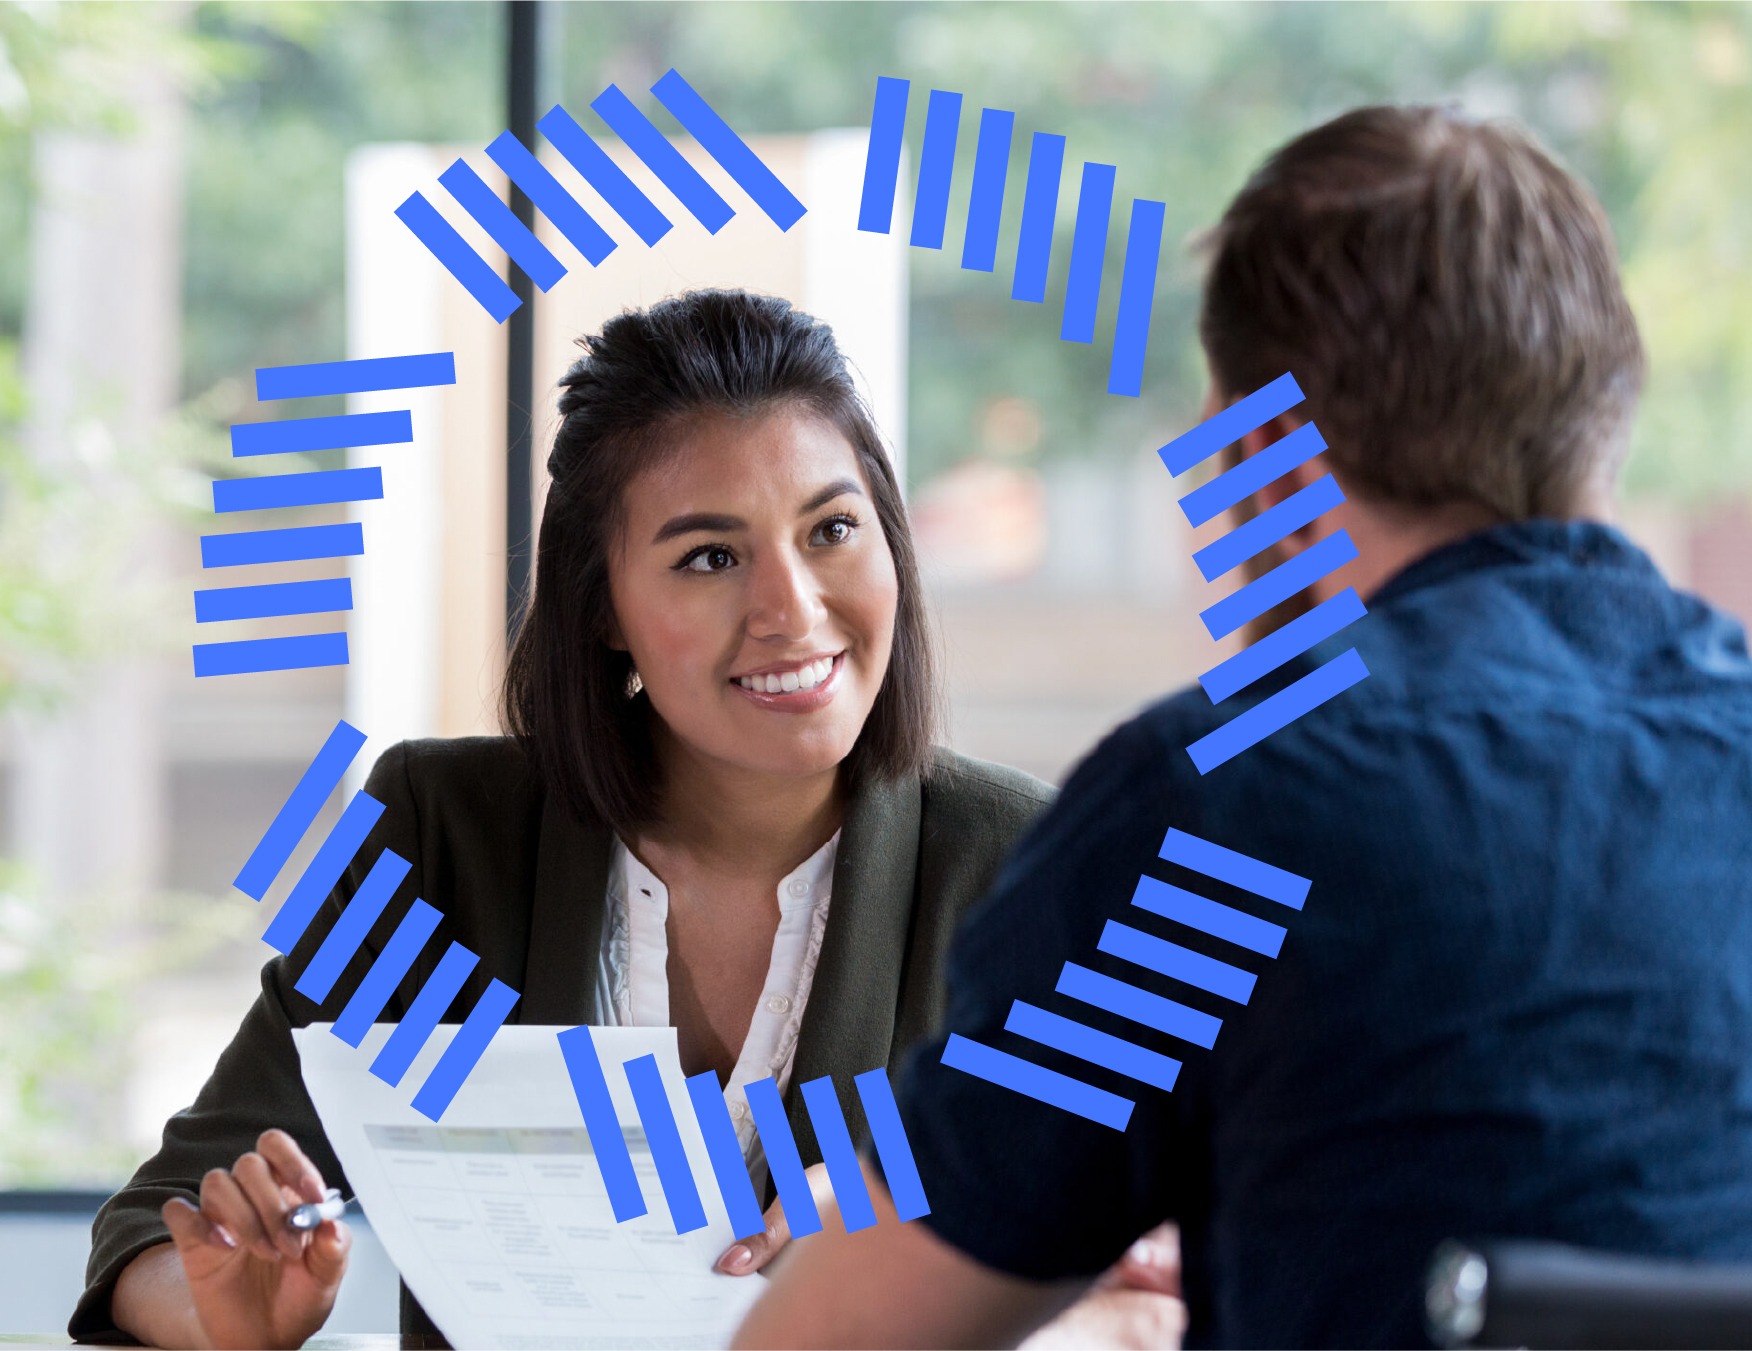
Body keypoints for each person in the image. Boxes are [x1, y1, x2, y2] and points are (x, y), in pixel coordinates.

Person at [735, 104, 1752, 1350]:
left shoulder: (1238, 816)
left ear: (1263, 452)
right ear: (1606, 414)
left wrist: (893, 1222)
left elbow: (834, 1339)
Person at [68, 289, 1082, 1349]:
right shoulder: (443, 840)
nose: (792, 608)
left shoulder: (1024, 866)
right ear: (600, 605)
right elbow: (159, 1224)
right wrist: (225, 1318)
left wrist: (951, 1244)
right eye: (709, 556)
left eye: (831, 529)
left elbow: (1165, 1258)